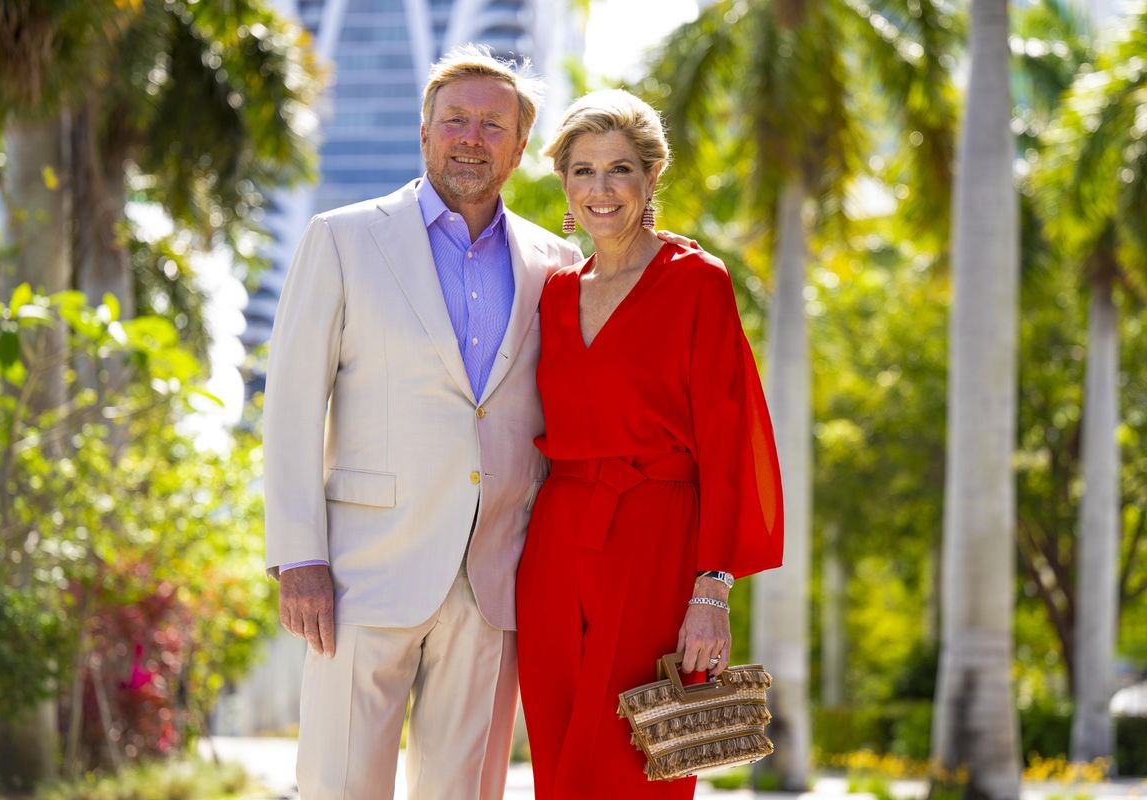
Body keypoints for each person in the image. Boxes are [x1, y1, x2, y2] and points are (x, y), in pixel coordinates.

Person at [263, 48, 689, 799]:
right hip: (362, 574)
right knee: (338, 785)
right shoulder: (343, 238)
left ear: (521, 149)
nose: (471, 136)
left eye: (493, 124)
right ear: (423, 133)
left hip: (497, 579)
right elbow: (293, 404)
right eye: (455, 119)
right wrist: (297, 556)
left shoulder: (557, 264)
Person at [515, 89, 785, 798]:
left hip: (656, 534)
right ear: (564, 185)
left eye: (620, 169)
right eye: (582, 171)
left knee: (632, 758)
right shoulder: (553, 291)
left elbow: (730, 441)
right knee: (558, 748)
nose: (600, 189)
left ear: (650, 178)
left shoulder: (697, 281)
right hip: (556, 538)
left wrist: (713, 588)